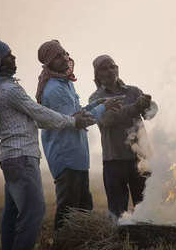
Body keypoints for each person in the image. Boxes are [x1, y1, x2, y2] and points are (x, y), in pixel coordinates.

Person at [0, 40, 96, 250]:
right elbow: (40, 114)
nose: (13, 58)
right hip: (23, 156)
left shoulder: (0, 89)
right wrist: (74, 121)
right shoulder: (10, 89)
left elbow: (39, 118)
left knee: (12, 214)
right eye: (7, 55)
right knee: (34, 211)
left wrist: (79, 116)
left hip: (13, 157)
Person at [36, 40, 122, 234]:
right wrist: (103, 107)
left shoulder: (64, 83)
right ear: (49, 62)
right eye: (58, 56)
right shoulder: (55, 89)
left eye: (65, 53)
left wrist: (97, 104)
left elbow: (76, 113)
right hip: (66, 155)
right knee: (69, 211)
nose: (65, 58)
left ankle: (79, 244)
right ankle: (61, 244)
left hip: (76, 156)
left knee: (83, 208)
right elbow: (77, 121)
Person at [89, 54, 158, 220]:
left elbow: (150, 114)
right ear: (97, 75)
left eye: (112, 66)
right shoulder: (96, 99)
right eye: (104, 68)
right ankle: (120, 242)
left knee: (146, 208)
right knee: (118, 213)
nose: (110, 71)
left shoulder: (133, 91)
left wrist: (150, 104)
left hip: (140, 159)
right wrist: (136, 106)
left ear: (117, 68)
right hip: (114, 161)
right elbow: (107, 120)